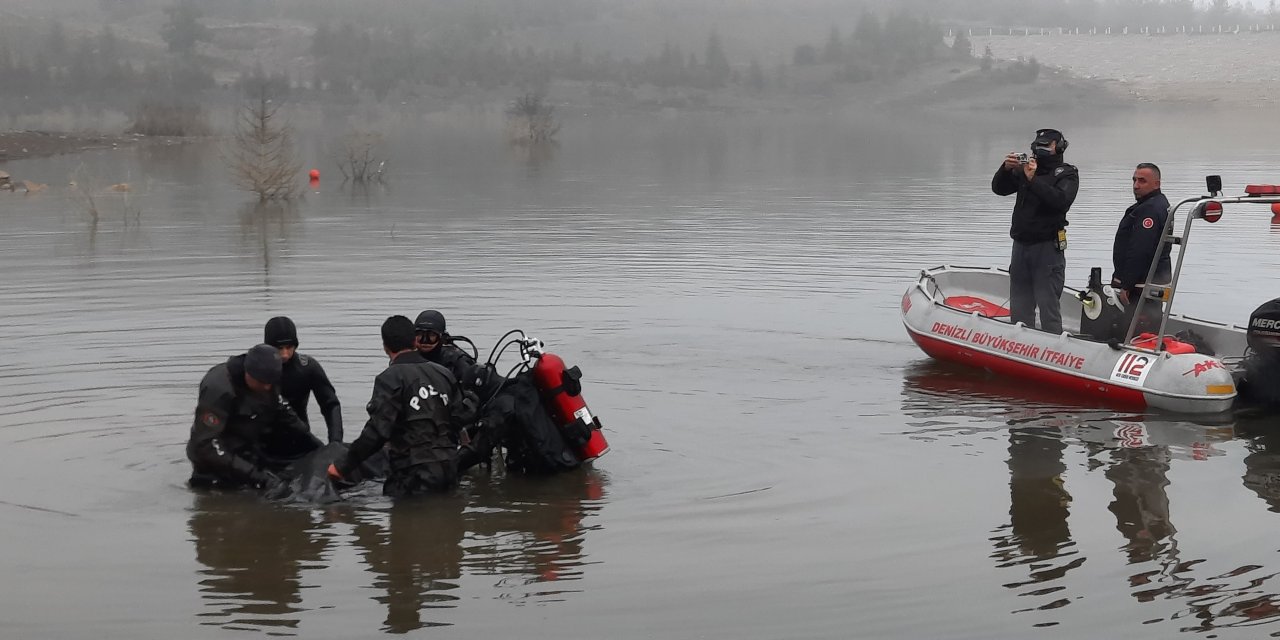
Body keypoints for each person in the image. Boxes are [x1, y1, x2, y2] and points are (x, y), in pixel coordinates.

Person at [328, 316, 473, 496]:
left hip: (412, 476)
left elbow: (377, 432)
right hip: (449, 470)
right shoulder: (444, 374)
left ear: (385, 346)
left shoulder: (389, 378)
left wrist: (342, 466)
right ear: (414, 341)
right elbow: (460, 418)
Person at [187, 344, 321, 491]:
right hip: (214, 461)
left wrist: (317, 445)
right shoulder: (218, 389)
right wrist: (255, 475)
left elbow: (285, 413)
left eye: (271, 383)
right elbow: (205, 445)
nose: (267, 388)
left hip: (247, 448)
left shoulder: (269, 379)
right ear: (248, 372)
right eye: (262, 383)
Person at [992, 128, 1080, 335]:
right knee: (1020, 307)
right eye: (1038, 145)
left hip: (1047, 248)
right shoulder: (1028, 169)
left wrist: (1033, 181)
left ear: (1058, 147)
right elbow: (999, 189)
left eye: (1046, 145)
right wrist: (1005, 169)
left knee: (1048, 306)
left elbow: (1060, 201)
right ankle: (1019, 349)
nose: (1040, 149)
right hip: (1021, 246)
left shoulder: (1067, 174)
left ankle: (1054, 350)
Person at [264, 316, 344, 443]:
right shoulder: (255, 368)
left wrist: (335, 442)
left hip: (300, 439)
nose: (285, 354)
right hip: (263, 443)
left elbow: (330, 405)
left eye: (289, 347)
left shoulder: (308, 368)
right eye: (279, 348)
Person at [1111, 163, 1172, 307]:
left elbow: (1140, 250)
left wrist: (1127, 285)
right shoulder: (1160, 204)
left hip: (1141, 285)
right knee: (1151, 319)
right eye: (1134, 180)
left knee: (1138, 324)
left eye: (1142, 181)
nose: (1136, 185)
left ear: (1156, 184)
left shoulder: (1149, 210)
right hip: (1155, 279)